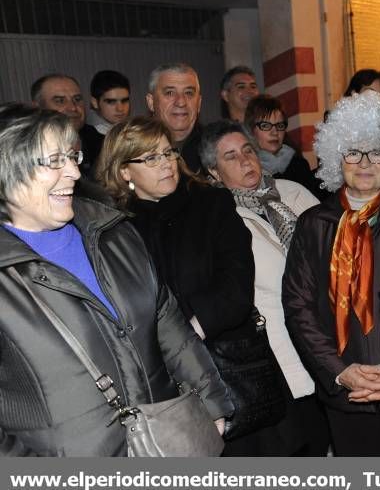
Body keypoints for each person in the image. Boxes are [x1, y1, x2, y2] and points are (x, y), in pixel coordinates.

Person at [0, 105, 231, 456]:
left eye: (72, 157)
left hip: (167, 441)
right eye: (54, 160)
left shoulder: (111, 232)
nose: (74, 172)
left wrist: (211, 401)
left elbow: (166, 321)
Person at [94, 117, 271, 456]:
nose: (166, 164)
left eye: (168, 153)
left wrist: (184, 339)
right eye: (151, 158)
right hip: (163, 389)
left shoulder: (211, 204)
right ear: (124, 172)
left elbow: (235, 287)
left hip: (234, 370)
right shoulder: (112, 232)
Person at [282, 90, 380, 456]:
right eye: (353, 152)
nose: (365, 162)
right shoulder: (314, 224)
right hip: (345, 396)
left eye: (377, 151)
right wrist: (339, 371)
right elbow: (299, 307)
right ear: (335, 158)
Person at [198, 120, 330, 456]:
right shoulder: (217, 217)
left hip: (329, 339)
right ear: (213, 172)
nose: (245, 161)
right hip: (279, 356)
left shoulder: (293, 192)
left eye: (247, 150)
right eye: (230, 157)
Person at [244, 94, 323, 199]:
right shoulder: (246, 169)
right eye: (265, 126)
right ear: (251, 131)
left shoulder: (299, 165)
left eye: (279, 126)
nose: (275, 132)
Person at [31, 74, 104, 175]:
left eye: (77, 99)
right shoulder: (29, 153)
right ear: (37, 108)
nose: (73, 107)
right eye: (60, 101)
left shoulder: (103, 145)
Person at [145, 63, 204, 173]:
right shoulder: (134, 151)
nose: (181, 102)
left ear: (199, 103)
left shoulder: (217, 148)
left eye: (189, 93)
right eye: (170, 93)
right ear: (151, 102)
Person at [88, 70, 131, 135]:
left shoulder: (129, 130)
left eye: (124, 101)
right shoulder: (88, 136)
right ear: (95, 103)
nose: (120, 108)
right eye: (111, 102)